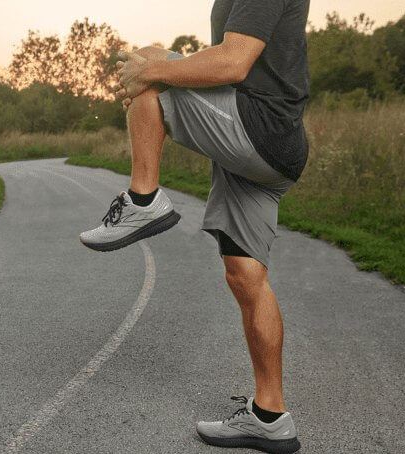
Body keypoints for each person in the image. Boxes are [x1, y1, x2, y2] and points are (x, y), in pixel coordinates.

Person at [79, 1, 310, 453]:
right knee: (247, 277)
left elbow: (233, 62)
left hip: (260, 127)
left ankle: (142, 199)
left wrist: (150, 72)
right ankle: (269, 416)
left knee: (150, 62)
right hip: (272, 149)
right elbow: (231, 62)